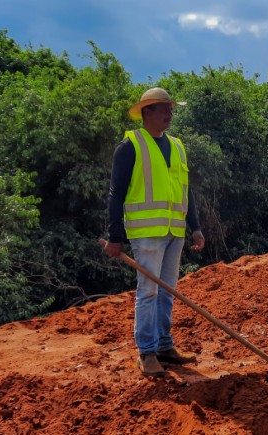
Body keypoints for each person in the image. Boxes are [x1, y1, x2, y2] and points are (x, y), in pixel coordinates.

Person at [106, 87, 206, 377]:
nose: (169, 114)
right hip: (146, 232)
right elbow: (116, 194)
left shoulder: (177, 146)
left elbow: (187, 191)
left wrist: (195, 227)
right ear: (146, 112)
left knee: (167, 292)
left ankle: (164, 346)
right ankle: (146, 352)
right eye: (163, 109)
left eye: (170, 109)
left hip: (175, 230)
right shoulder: (130, 146)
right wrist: (115, 237)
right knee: (148, 292)